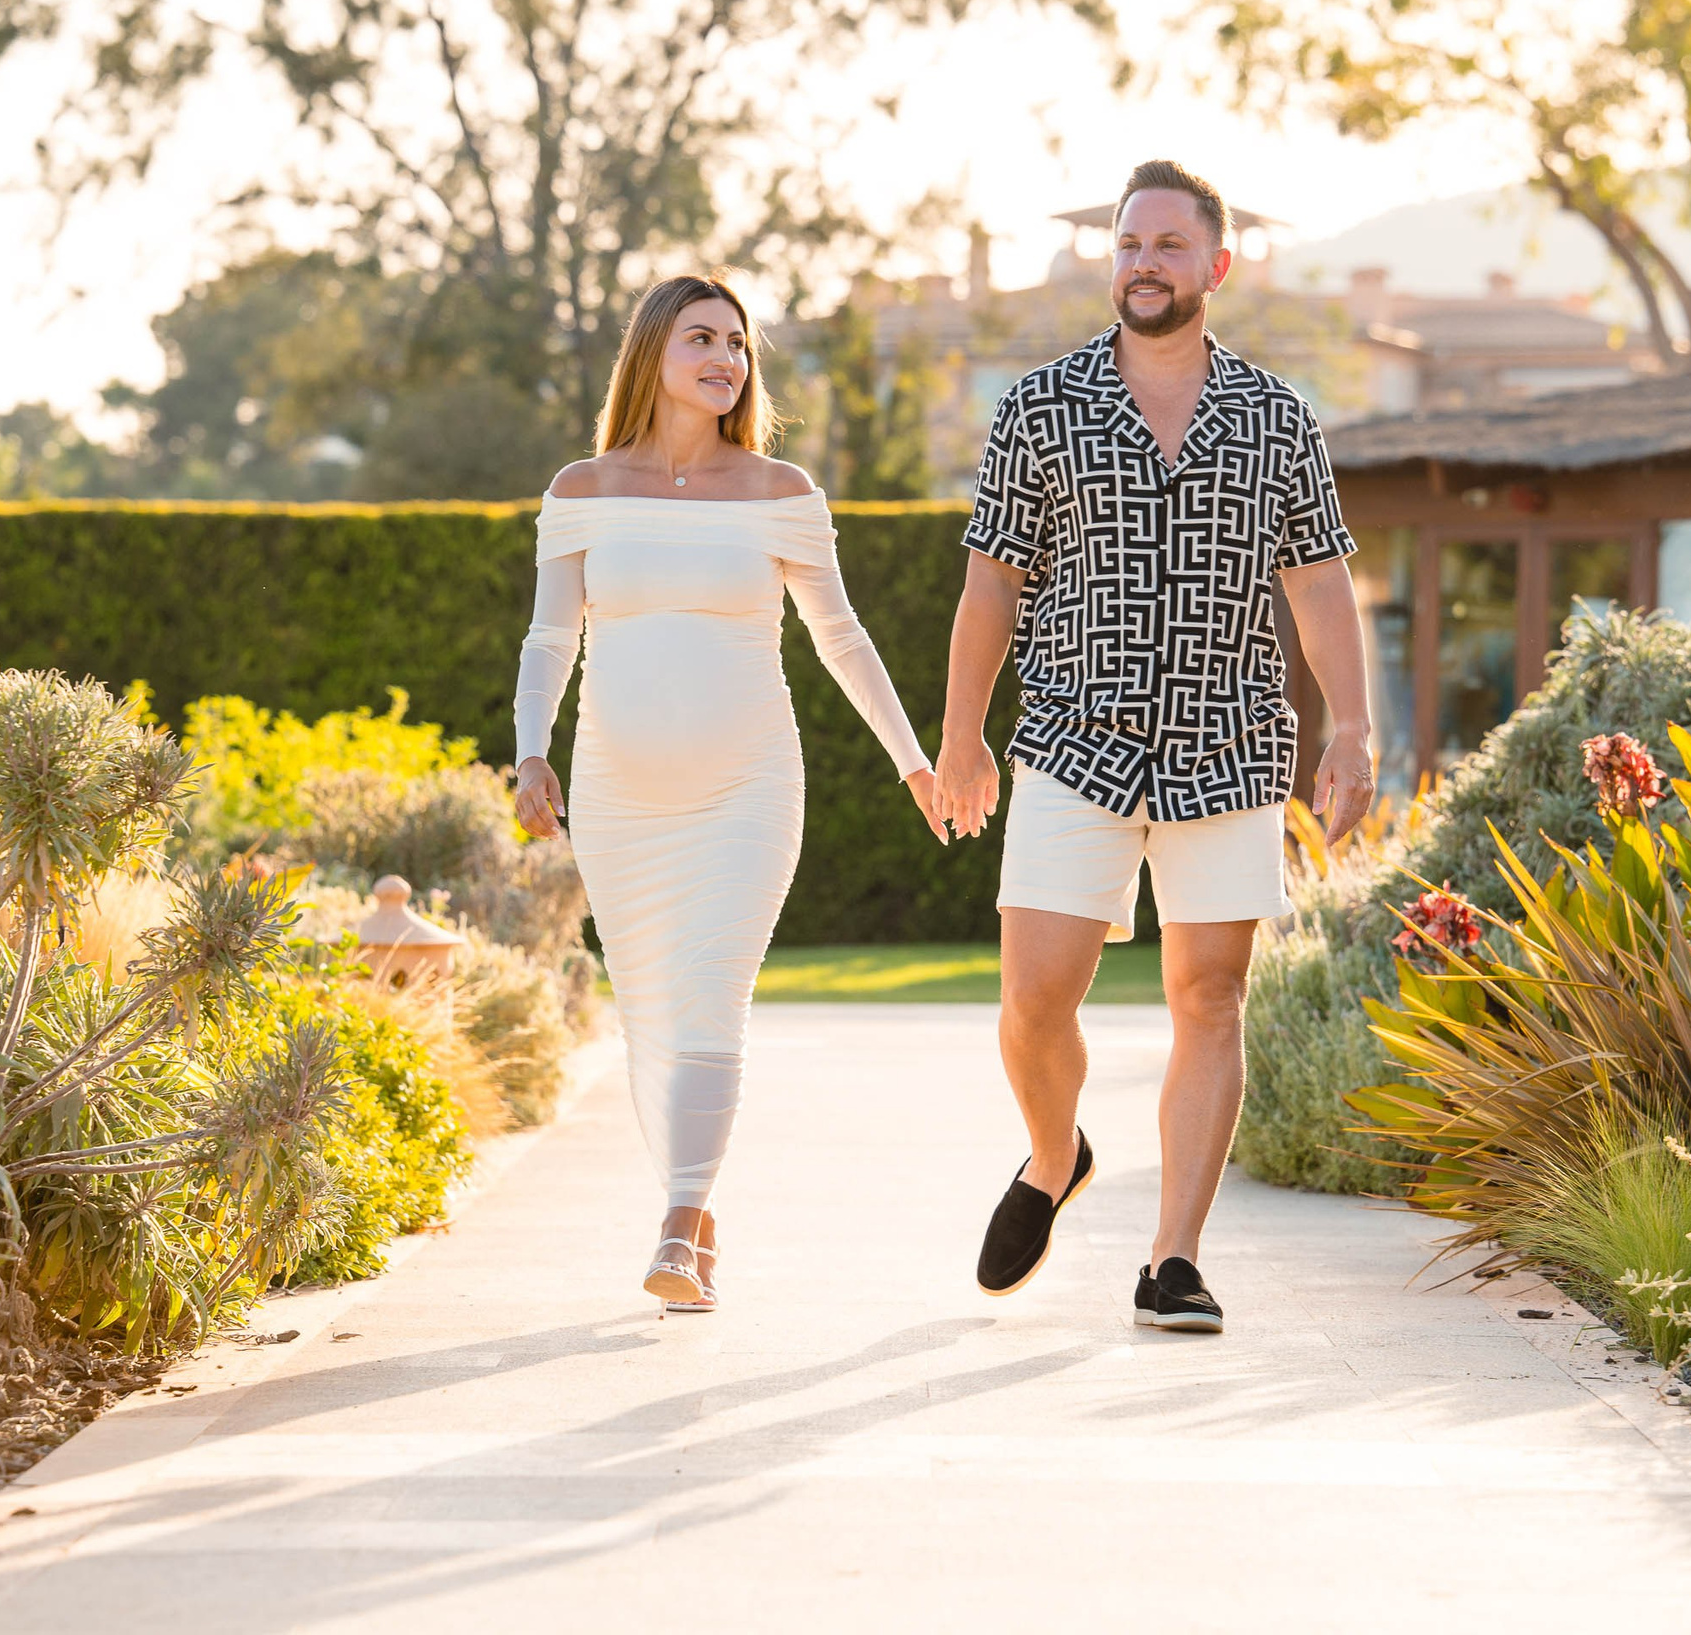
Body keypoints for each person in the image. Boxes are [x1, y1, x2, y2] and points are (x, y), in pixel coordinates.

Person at [932, 160, 1375, 1333]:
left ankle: (1172, 1259)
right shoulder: (1041, 406)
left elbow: (1322, 588)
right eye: (1130, 242)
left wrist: (1351, 731)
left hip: (1228, 745)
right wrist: (962, 737)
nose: (1143, 261)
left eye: (1170, 245)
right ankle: (1050, 1154)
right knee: (1033, 1000)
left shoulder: (1277, 419)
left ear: (1215, 267)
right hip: (1073, 736)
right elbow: (990, 583)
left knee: (1209, 997)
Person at [512, 273, 947, 1313]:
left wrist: (913, 760)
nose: (726, 359)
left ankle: (672, 1223)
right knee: (649, 1015)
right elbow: (550, 636)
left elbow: (840, 637)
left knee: (710, 998)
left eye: (739, 344)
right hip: (620, 796)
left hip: (749, 786)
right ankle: (696, 1214)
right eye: (703, 338)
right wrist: (532, 752)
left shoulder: (781, 491)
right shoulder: (580, 488)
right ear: (653, 352)